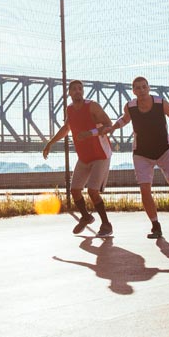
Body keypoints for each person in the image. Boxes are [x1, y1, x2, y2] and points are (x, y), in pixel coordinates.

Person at [104, 76, 169, 238]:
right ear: (133, 91)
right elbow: (124, 119)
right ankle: (155, 226)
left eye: (144, 87)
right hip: (141, 153)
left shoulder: (161, 103)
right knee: (145, 189)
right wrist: (114, 127)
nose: (141, 90)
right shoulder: (130, 106)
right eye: (137, 88)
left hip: (164, 150)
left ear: (149, 88)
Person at [43, 80, 114, 238]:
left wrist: (90, 133)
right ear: (69, 93)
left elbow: (109, 125)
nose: (77, 91)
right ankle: (86, 217)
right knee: (75, 190)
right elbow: (67, 128)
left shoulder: (92, 106)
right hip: (84, 157)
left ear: (83, 91)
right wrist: (50, 142)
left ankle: (106, 225)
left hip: (101, 154)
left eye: (80, 89)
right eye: (74, 89)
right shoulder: (69, 109)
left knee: (92, 191)